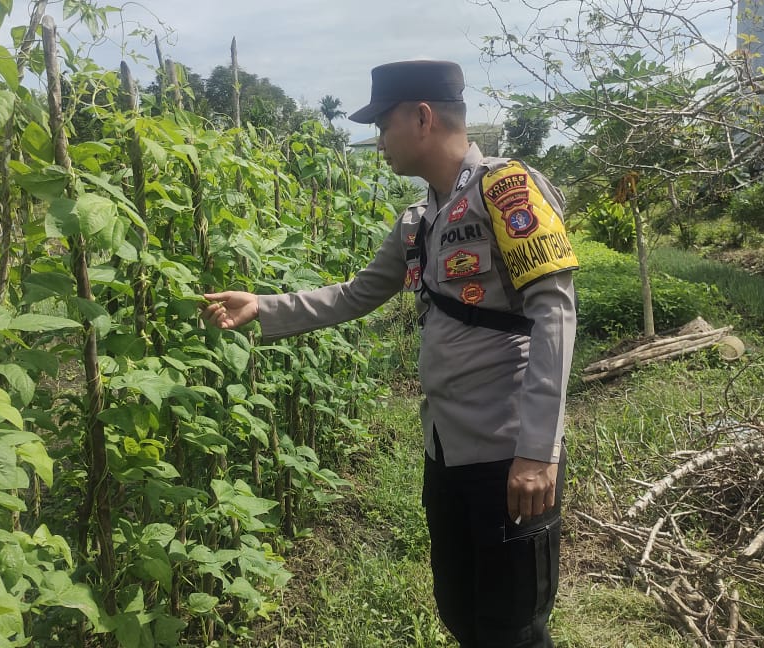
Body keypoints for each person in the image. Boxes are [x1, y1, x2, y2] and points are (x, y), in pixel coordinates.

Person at [202, 60, 578, 647]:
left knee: (513, 627)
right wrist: (263, 307)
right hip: (446, 452)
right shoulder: (418, 221)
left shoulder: (506, 191)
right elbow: (356, 294)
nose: (379, 141)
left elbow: (553, 310)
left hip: (508, 453)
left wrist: (537, 453)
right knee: (461, 612)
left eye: (383, 124)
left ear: (423, 117)